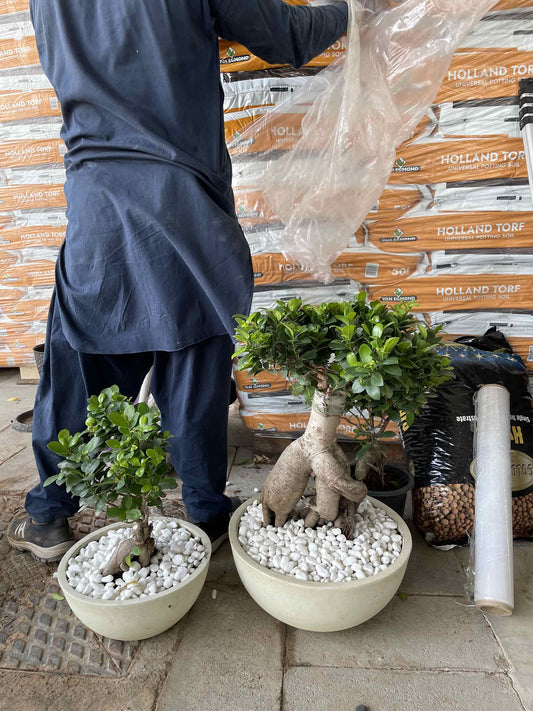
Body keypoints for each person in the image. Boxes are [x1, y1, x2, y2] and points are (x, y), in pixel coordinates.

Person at [7, 0, 348, 561]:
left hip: (99, 204)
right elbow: (288, 36)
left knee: (79, 365)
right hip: (186, 206)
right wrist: (351, 12)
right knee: (193, 364)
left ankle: (48, 517)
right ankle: (206, 514)